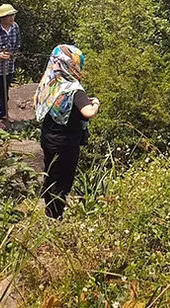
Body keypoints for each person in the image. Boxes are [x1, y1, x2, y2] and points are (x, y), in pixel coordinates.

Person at [33, 45, 100, 219]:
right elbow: (88, 112)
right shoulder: (73, 88)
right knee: (62, 181)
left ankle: (49, 211)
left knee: (50, 174)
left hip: (48, 137)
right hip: (66, 143)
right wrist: (96, 103)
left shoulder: (50, 81)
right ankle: (55, 216)